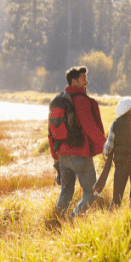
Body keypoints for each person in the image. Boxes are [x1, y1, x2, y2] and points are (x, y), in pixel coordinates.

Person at [53, 66, 106, 218]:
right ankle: (72, 219)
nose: (87, 82)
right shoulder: (81, 101)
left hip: (63, 155)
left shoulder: (59, 101)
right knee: (92, 192)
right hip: (80, 154)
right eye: (83, 79)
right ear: (74, 81)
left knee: (66, 192)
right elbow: (90, 127)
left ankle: (57, 221)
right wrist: (107, 145)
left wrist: (55, 157)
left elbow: (52, 132)